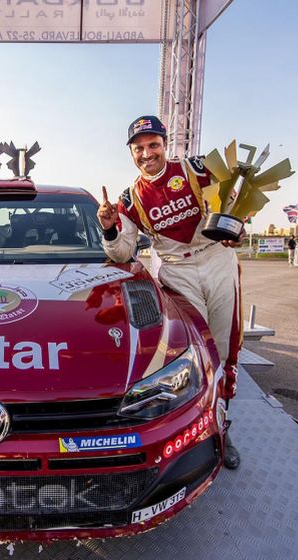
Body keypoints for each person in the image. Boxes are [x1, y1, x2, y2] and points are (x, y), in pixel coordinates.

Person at [97, 115, 242, 469]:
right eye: (140, 148)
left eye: (153, 145)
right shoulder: (128, 200)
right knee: (198, 352)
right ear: (131, 153)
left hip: (217, 259)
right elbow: (120, 253)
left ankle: (224, 426)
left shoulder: (195, 168)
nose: (148, 154)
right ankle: (200, 429)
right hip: (176, 269)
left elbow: (233, 200)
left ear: (164, 144)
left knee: (225, 348)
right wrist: (110, 228)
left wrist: (235, 224)